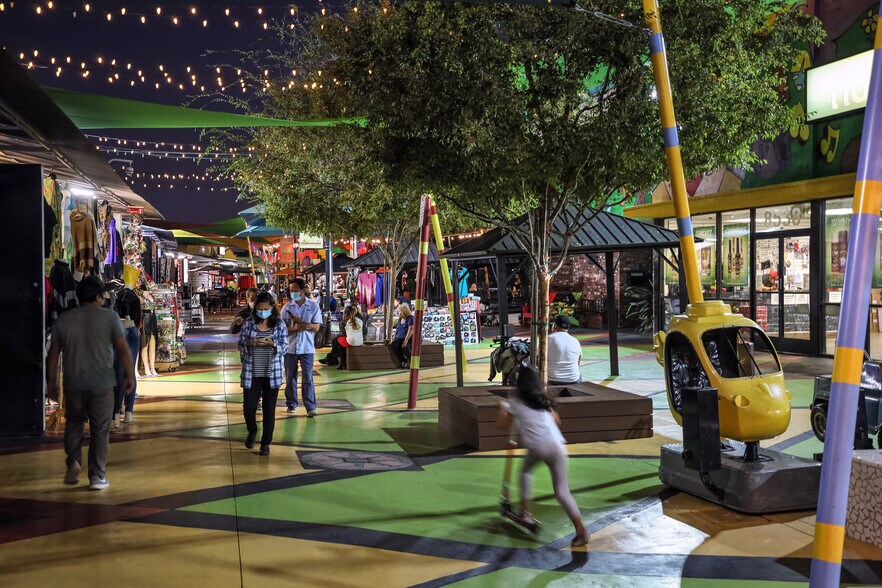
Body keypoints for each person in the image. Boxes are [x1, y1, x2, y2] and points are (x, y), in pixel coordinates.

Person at [46, 276, 135, 491]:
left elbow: (53, 354)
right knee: (100, 430)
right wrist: (130, 375)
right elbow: (122, 349)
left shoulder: (65, 319)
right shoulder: (110, 317)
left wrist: (51, 382)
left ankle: (74, 460)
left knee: (74, 423)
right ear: (97, 297)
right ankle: (97, 476)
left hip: (73, 382)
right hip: (102, 382)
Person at [497, 365, 589, 547]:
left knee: (525, 472)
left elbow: (502, 425)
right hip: (558, 446)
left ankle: (526, 514)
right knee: (562, 491)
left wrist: (502, 407)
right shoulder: (543, 401)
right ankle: (581, 530)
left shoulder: (515, 401)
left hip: (538, 447)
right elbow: (557, 421)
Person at [238, 292, 289, 456]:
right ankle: (252, 430)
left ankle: (266, 443)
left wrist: (273, 344)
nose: (263, 311)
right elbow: (240, 344)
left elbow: (285, 346)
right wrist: (249, 342)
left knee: (269, 410)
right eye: (260, 308)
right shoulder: (249, 323)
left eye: (266, 309)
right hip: (252, 372)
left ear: (272, 307)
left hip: (272, 373)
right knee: (249, 407)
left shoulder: (279, 324)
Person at [281, 278, 322, 417]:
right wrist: (297, 328)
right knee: (290, 377)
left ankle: (310, 407)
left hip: (307, 348)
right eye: (291, 291)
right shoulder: (287, 308)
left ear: (303, 290)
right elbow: (282, 329)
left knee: (308, 378)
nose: (292, 293)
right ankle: (291, 404)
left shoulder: (313, 306)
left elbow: (316, 327)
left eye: (295, 290)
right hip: (290, 348)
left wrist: (302, 324)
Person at [113, 287, 142, 427]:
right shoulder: (136, 300)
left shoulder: (117, 299)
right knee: (131, 370)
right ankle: (128, 413)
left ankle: (116, 415)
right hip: (133, 332)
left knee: (119, 373)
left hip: (120, 330)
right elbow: (138, 320)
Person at [547, 315, 582, 386]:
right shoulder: (575, 341)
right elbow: (578, 362)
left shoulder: (547, 339)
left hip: (551, 380)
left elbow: (538, 360)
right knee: (579, 375)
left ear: (554, 325)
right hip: (573, 380)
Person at [390, 302, 414, 369]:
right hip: (400, 338)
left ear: (404, 312)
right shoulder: (400, 319)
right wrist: (394, 337)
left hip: (409, 338)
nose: (399, 313)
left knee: (405, 347)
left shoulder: (410, 318)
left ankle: (412, 361)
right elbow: (397, 329)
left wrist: (406, 340)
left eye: (400, 312)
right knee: (394, 345)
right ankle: (404, 361)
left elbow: (411, 329)